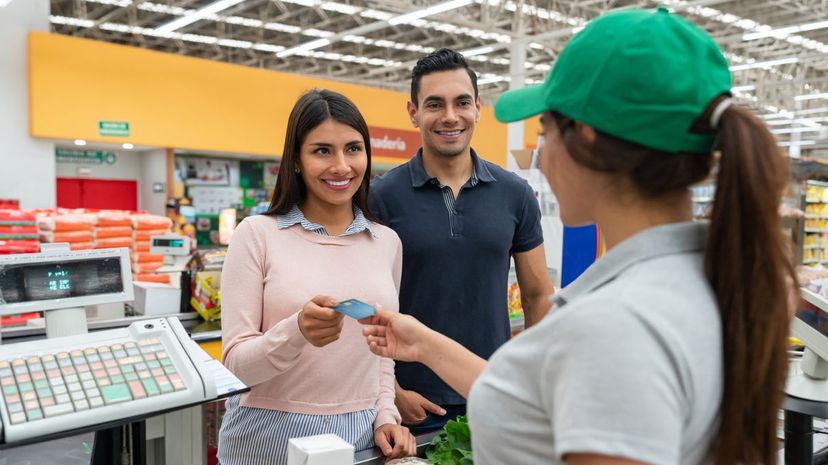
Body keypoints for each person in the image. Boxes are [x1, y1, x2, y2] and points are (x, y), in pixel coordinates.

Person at [362, 7, 794, 465]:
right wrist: (425, 345)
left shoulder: (610, 327)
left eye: (545, 131)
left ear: (584, 139)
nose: (541, 158)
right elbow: (526, 401)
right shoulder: (721, 278)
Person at [217, 89, 416, 465]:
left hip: (360, 438)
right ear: (295, 160)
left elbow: (382, 352)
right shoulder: (257, 235)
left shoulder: (386, 242)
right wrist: (297, 332)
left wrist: (386, 415)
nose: (342, 166)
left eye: (354, 149)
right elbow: (235, 368)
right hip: (267, 436)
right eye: (322, 150)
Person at [368, 48, 555, 433]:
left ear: (478, 108)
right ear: (413, 112)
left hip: (493, 393)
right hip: (412, 405)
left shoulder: (515, 194)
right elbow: (364, 305)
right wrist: (391, 392)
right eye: (434, 104)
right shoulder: (381, 197)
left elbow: (538, 294)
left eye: (462, 103)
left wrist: (529, 380)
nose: (450, 116)